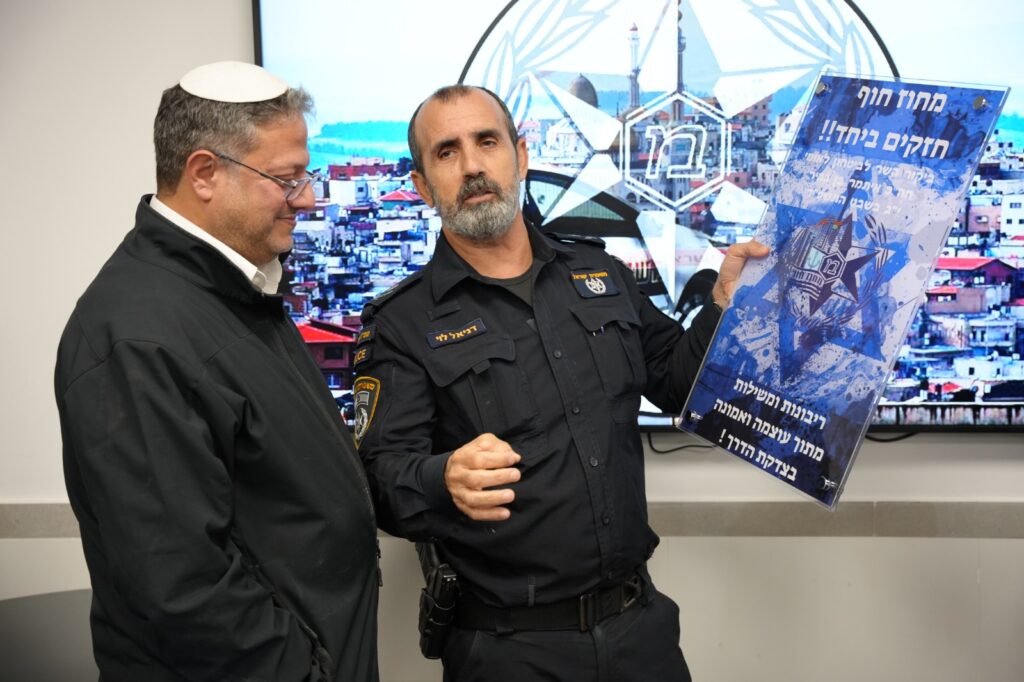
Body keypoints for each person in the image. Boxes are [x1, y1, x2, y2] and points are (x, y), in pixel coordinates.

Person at [355, 84, 768, 681]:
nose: (471, 166)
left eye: (487, 141)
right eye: (446, 152)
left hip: (639, 631)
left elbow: (680, 384)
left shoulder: (600, 273)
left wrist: (722, 305)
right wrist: (440, 479)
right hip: (509, 651)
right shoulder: (402, 323)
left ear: (520, 155)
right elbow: (376, 481)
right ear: (422, 185)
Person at [54, 61, 379, 682]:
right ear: (204, 173)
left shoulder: (233, 288)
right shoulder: (138, 335)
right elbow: (182, 589)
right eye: (287, 179)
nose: (308, 198)